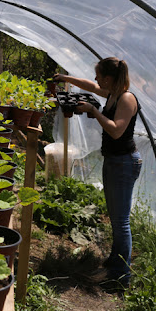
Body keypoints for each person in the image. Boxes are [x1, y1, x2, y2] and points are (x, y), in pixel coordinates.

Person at [53, 57, 142, 291]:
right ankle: (115, 260)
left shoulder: (127, 98)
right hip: (114, 161)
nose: (96, 80)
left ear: (109, 78)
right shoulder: (112, 93)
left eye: (99, 76)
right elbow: (90, 87)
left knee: (121, 221)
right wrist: (66, 78)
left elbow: (115, 130)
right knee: (115, 216)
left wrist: (94, 110)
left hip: (124, 163)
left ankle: (121, 277)